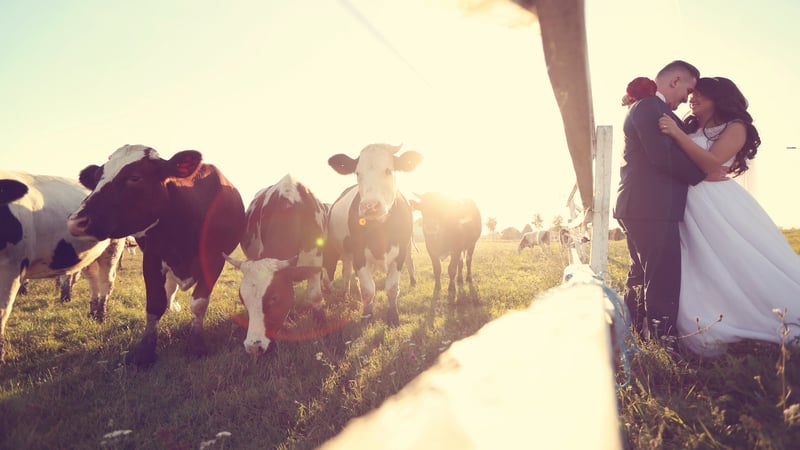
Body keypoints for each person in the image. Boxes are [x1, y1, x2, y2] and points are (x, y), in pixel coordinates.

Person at [657, 76, 800, 356]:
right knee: (696, 264)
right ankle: (703, 317)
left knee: (736, 260)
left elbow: (710, 162)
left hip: (718, 204)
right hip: (686, 203)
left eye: (701, 94)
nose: (692, 98)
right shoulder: (688, 125)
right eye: (692, 93)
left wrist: (677, 135)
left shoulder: (736, 127)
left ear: (719, 97)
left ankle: (760, 317)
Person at [613, 60, 710, 339]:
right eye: (687, 90)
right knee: (662, 275)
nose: (687, 98)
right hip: (650, 206)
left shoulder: (649, 108)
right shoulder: (650, 108)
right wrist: (702, 171)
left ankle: (630, 331)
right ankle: (661, 339)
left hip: (642, 204)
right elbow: (661, 156)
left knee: (642, 273)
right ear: (675, 81)